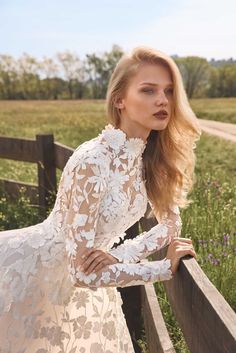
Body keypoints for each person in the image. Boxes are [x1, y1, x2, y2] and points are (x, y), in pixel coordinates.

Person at [0, 46, 201, 353]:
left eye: (169, 91)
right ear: (119, 99)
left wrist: (121, 254)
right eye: (148, 90)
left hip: (92, 287)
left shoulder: (150, 158)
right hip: (36, 281)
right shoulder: (93, 160)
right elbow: (80, 271)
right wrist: (163, 269)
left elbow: (172, 223)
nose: (163, 100)